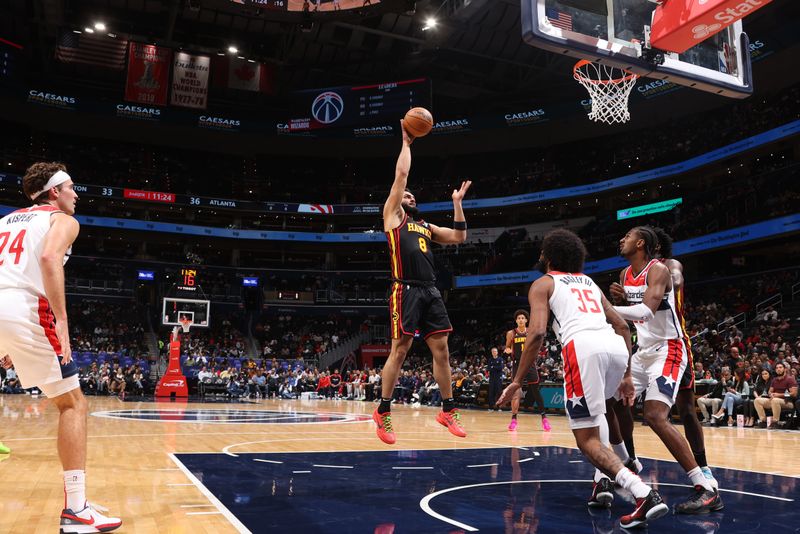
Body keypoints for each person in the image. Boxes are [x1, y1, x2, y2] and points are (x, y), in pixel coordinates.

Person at [497, 229, 669, 528]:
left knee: (586, 439)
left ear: (549, 257)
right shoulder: (589, 282)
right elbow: (622, 327)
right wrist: (626, 374)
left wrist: (517, 380)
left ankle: (642, 493)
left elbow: (536, 332)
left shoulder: (543, 283)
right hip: (614, 347)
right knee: (600, 411)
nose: (539, 257)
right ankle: (620, 466)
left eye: (541, 253)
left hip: (582, 348)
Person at [0, 162, 121, 532]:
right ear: (54, 192)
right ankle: (76, 509)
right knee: (72, 404)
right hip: (25, 308)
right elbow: (50, 258)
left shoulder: (5, 221)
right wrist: (62, 321)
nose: (76, 193)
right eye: (71, 187)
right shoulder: (63, 221)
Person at [609, 226, 722, 513]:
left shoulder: (660, 270)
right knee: (614, 400)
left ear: (641, 243)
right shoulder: (625, 274)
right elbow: (634, 313)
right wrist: (619, 303)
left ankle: (706, 487)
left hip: (669, 348)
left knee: (656, 416)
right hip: (642, 350)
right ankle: (629, 461)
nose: (622, 239)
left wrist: (604, 307)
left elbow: (646, 311)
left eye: (627, 235)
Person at [373, 121, 472, 445]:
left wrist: (457, 203)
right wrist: (406, 142)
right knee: (400, 350)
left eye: (413, 195)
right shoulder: (393, 217)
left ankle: (447, 409)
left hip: (430, 289)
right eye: (406, 195)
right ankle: (383, 411)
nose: (410, 196)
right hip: (406, 288)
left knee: (441, 350)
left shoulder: (425, 225)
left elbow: (459, 236)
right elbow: (401, 178)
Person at [503, 310, 550, 431]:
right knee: (516, 392)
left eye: (523, 318)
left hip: (530, 364)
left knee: (535, 391)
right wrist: (508, 350)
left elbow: (538, 345)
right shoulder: (511, 333)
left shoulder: (531, 332)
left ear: (526, 320)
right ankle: (514, 419)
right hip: (517, 364)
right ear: (516, 320)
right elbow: (507, 347)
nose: (521, 320)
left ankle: (544, 418)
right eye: (518, 318)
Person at [754, 361, 797, 428]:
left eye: (780, 367)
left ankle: (775, 422)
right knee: (757, 400)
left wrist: (779, 395)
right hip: (774, 400)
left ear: (785, 369)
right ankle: (763, 421)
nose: (778, 369)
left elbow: (794, 393)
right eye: (777, 368)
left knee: (775, 400)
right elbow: (770, 392)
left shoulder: (790, 379)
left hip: (787, 402)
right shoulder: (774, 380)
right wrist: (771, 394)